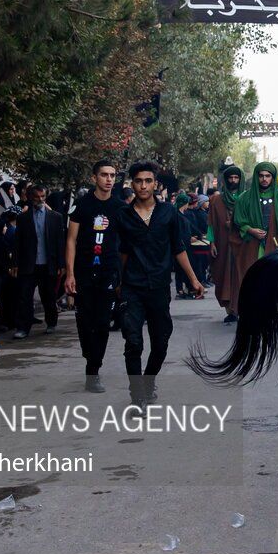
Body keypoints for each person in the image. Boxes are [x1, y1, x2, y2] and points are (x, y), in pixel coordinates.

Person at [116, 161, 203, 412]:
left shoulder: (168, 213)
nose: (143, 186)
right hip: (132, 286)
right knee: (133, 342)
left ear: (155, 184)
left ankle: (149, 380)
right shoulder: (123, 215)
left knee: (161, 341)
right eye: (138, 181)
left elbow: (178, 248)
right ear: (132, 184)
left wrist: (194, 280)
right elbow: (121, 253)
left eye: (148, 181)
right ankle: (137, 396)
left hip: (159, 286)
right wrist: (119, 283)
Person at [64, 160, 122, 394]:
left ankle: (93, 370)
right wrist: (69, 274)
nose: (109, 179)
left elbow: (126, 242)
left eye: (112, 175)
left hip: (108, 272)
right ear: (94, 178)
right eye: (104, 175)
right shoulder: (83, 205)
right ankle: (90, 355)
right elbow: (71, 240)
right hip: (84, 271)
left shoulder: (119, 207)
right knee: (85, 323)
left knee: (102, 324)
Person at [232, 162, 278, 297]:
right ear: (256, 177)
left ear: (273, 178)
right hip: (250, 247)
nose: (264, 179)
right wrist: (250, 230)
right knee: (250, 282)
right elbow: (238, 220)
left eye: (268, 176)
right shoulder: (244, 198)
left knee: (274, 283)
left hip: (275, 247)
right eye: (261, 176)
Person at [12, 184, 65, 338]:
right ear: (30, 198)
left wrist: (61, 264)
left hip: (49, 263)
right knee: (25, 297)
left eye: (43, 197)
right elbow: (18, 242)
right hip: (29, 263)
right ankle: (23, 328)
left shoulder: (55, 217)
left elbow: (60, 243)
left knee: (48, 295)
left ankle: (51, 323)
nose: (40, 200)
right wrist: (15, 262)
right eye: (37, 197)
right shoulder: (23, 218)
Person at [208, 165, 244, 320]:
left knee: (240, 275)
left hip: (242, 244)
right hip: (222, 243)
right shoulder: (216, 199)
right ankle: (230, 311)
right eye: (230, 178)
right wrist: (212, 243)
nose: (233, 180)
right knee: (223, 275)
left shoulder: (246, 198)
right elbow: (210, 223)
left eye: (236, 178)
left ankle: (241, 308)